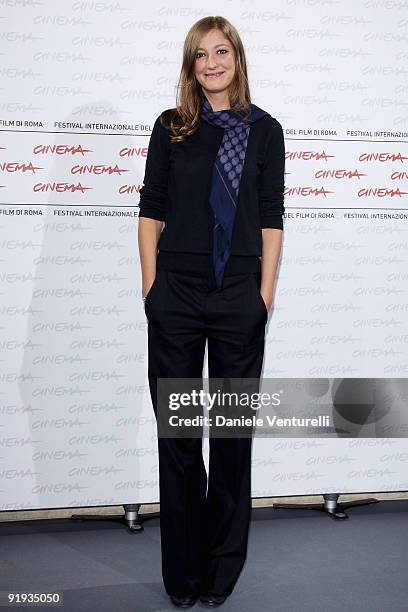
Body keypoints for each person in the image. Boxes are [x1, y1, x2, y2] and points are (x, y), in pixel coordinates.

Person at [138, 15, 285, 609]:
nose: (212, 64)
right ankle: (183, 573)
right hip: (175, 294)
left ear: (237, 58)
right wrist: (151, 286)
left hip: (237, 299)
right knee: (178, 437)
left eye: (221, 52)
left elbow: (271, 217)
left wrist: (263, 296)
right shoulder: (171, 127)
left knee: (229, 436)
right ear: (190, 66)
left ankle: (222, 569)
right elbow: (151, 209)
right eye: (201, 55)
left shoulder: (265, 130)